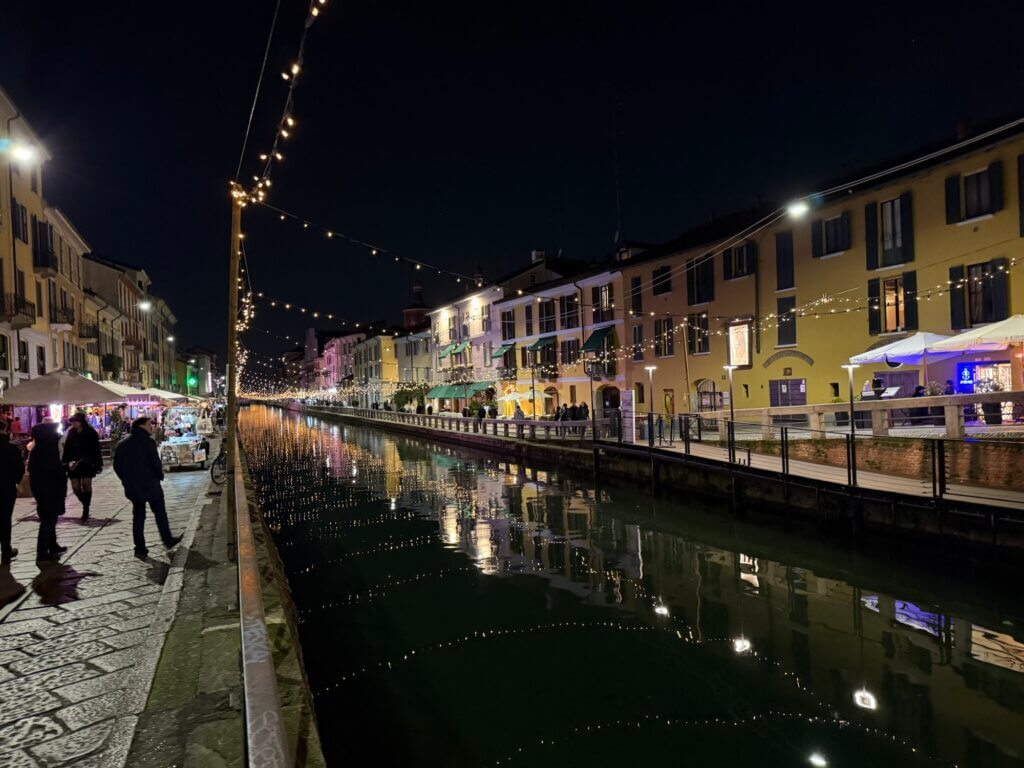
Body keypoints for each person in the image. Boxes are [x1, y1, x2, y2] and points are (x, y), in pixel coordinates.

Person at [113, 417, 182, 559]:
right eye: (150, 424)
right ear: (142, 425)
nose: (152, 426)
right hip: (150, 484)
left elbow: (116, 466)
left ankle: (139, 548)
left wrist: (125, 480)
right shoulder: (147, 442)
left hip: (133, 487)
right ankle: (168, 540)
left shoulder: (122, 444)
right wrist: (159, 475)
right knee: (160, 513)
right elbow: (155, 462)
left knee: (138, 516)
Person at [28, 418, 67, 562]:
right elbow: (53, 470)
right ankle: (42, 552)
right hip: (49, 490)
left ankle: (53, 545)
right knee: (48, 520)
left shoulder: (38, 450)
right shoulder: (46, 451)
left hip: (43, 489)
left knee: (50, 518)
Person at [62, 412, 102, 521]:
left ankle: (86, 508)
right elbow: (67, 448)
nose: (73, 423)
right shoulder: (71, 432)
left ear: (81, 422)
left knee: (86, 484)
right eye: (72, 421)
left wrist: (98, 463)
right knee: (75, 488)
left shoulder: (90, 432)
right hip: (73, 463)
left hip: (87, 462)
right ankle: (85, 502)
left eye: (75, 421)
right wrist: (66, 463)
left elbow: (96, 449)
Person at [0, 422, 25, 563]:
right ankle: (5, 550)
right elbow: (19, 469)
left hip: (6, 487)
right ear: (4, 430)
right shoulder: (11, 448)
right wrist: (14, 481)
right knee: (4, 519)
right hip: (5, 488)